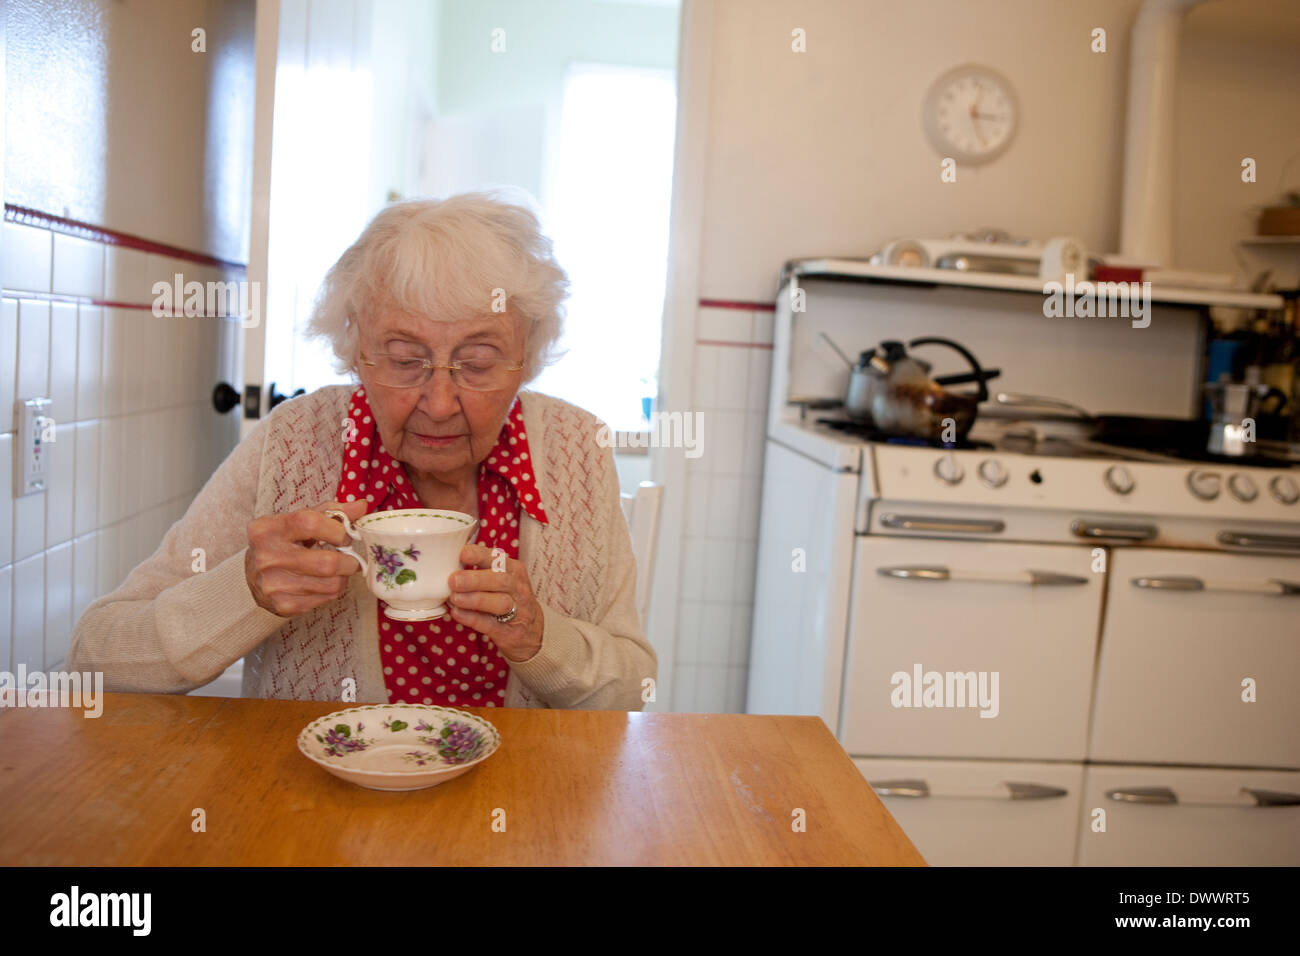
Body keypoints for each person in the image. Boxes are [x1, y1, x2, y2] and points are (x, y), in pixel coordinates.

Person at [67, 191, 657, 710]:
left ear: (526, 357)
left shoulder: (577, 448)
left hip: (523, 804)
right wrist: (243, 593)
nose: (441, 402)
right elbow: (98, 660)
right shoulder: (294, 440)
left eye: (476, 364)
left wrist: (538, 637)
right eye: (405, 360)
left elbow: (634, 690)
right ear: (353, 349)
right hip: (319, 808)